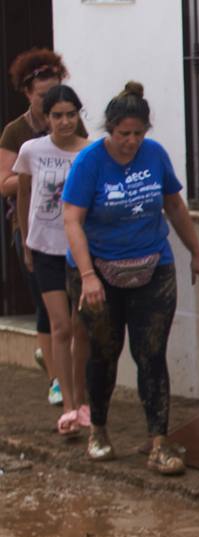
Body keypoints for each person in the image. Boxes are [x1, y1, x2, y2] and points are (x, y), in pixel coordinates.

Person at [63, 81, 199, 473]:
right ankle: (98, 429)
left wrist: (196, 254)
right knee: (104, 352)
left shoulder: (155, 156)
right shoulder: (89, 163)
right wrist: (88, 275)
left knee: (151, 354)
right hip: (99, 271)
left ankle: (159, 442)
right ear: (108, 130)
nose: (130, 142)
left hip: (152, 266)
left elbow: (174, 206)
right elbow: (72, 220)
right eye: (123, 134)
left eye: (137, 134)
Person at [0, 48, 88, 404]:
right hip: (32, 229)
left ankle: (66, 375)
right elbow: (7, 182)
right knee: (48, 310)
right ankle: (57, 379)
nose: (58, 112)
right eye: (42, 97)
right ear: (29, 94)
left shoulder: (76, 131)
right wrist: (31, 179)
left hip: (72, 235)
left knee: (74, 316)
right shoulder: (17, 134)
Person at [15, 84, 91, 436]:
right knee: (59, 327)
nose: (64, 122)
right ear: (46, 119)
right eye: (57, 115)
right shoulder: (32, 150)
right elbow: (25, 194)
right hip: (44, 247)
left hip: (79, 251)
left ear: (79, 116)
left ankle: (84, 400)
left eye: (70, 115)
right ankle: (69, 405)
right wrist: (26, 241)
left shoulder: (90, 153)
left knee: (80, 328)